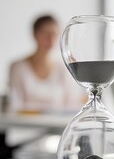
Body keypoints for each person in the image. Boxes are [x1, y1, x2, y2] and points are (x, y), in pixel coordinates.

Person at [7, 15, 83, 146]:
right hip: (24, 134)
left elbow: (72, 103)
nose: (51, 39)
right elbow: (15, 106)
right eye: (46, 33)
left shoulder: (62, 68)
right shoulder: (18, 67)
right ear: (35, 34)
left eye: (54, 34)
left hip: (57, 132)